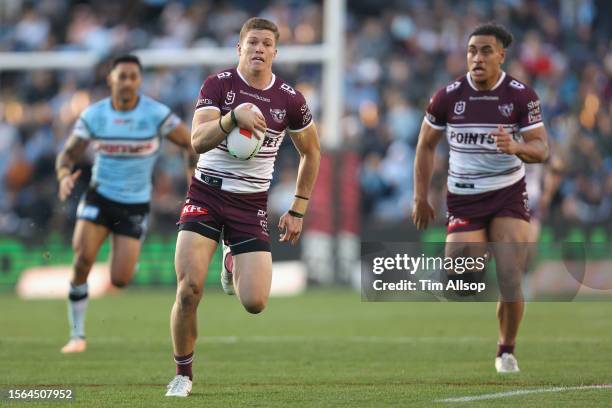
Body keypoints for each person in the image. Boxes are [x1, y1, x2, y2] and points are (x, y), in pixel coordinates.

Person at [164, 18, 320, 397]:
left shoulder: (290, 98)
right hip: (206, 192)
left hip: (250, 203)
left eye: (267, 44)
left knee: (255, 302)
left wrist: (298, 208)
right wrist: (234, 116)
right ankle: (183, 373)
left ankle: (231, 254)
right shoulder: (218, 85)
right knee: (188, 289)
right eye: (252, 43)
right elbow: (197, 141)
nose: (259, 49)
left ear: (275, 52)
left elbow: (311, 152)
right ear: (239, 49)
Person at [412, 23, 549, 373]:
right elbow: (425, 145)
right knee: (462, 280)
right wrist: (420, 197)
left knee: (510, 277)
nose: (477, 57)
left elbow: (542, 149)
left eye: (486, 50)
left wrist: (516, 146)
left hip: (507, 194)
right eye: (472, 50)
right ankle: (481, 251)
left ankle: (506, 350)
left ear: (501, 55)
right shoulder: (448, 96)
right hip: (464, 198)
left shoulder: (521, 96)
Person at [55, 54, 194, 354]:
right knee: (82, 261)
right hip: (99, 196)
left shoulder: (155, 114)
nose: (128, 82)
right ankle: (77, 335)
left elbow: (189, 142)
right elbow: (67, 154)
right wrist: (64, 175)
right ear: (111, 79)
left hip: (134, 204)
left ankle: (122, 253)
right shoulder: (94, 115)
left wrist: (192, 180)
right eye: (123, 76)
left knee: (120, 280)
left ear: (139, 81)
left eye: (134, 77)